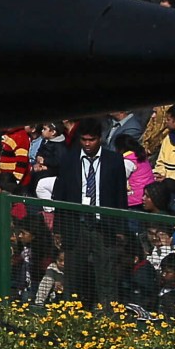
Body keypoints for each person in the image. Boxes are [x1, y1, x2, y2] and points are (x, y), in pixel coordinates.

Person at [42, 118, 124, 306]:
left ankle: (108, 316)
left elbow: (120, 198)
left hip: (104, 226)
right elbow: (60, 195)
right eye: (84, 140)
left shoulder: (114, 161)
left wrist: (120, 228)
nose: (87, 144)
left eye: (92, 140)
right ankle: (73, 315)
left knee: (106, 276)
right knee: (73, 275)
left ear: (100, 139)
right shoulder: (69, 160)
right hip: (75, 225)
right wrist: (58, 228)